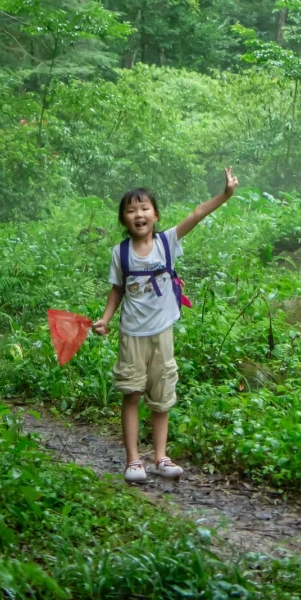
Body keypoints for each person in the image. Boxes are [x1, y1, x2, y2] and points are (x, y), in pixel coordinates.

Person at [92, 167, 238, 483]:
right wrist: (105, 319)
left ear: (156, 215)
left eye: (144, 208)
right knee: (131, 394)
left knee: (162, 397)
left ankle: (160, 457)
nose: (139, 215)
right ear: (123, 220)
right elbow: (117, 290)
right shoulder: (120, 253)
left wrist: (225, 194)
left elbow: (196, 214)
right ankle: (133, 460)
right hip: (132, 334)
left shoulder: (166, 242)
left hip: (162, 333)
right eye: (131, 210)